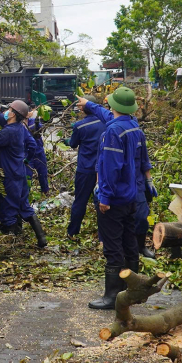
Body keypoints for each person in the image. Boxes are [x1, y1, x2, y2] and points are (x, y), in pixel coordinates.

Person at [77, 88, 140, 310]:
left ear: (113, 106)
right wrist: (89, 104)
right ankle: (134, 289)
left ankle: (112, 297)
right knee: (129, 242)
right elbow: (107, 115)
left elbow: (109, 167)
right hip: (130, 196)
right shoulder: (132, 126)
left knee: (112, 245)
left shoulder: (112, 133)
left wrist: (104, 196)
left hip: (113, 199)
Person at [0, 100, 48, 247]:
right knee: (23, 204)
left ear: (13, 114)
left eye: (9, 109)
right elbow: (32, 145)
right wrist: (26, 159)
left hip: (10, 174)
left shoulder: (9, 132)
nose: (6, 111)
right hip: (20, 171)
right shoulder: (20, 128)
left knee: (8, 204)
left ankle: (11, 235)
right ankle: (41, 238)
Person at [66, 97, 105, 238]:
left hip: (85, 170)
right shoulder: (106, 122)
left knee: (80, 201)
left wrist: (68, 140)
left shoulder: (79, 126)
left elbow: (72, 144)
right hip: (102, 171)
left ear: (83, 108)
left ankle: (72, 232)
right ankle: (103, 236)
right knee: (101, 202)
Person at [129, 102, 156, 260]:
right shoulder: (111, 132)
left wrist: (149, 180)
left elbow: (144, 160)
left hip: (138, 183)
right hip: (121, 184)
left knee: (142, 216)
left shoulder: (139, 134)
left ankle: (141, 247)